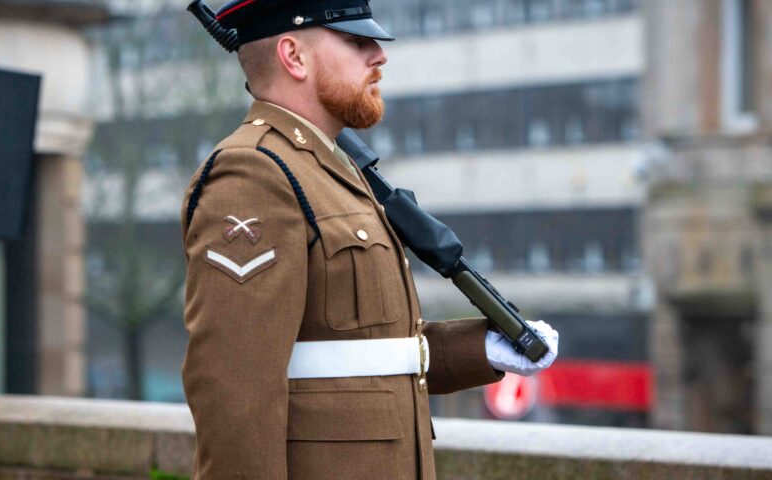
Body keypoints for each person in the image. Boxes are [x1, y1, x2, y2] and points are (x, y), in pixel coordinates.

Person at [179, 1, 560, 478]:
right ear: (293, 56)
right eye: (357, 42)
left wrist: (479, 349)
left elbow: (363, 355)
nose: (378, 55)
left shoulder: (335, 171)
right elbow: (235, 390)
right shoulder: (255, 173)